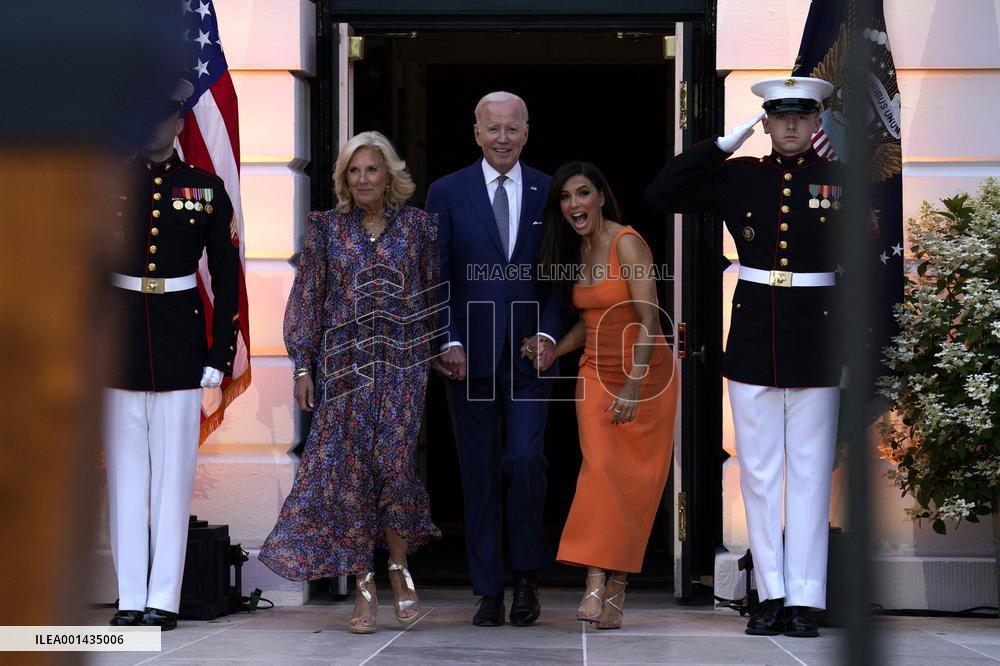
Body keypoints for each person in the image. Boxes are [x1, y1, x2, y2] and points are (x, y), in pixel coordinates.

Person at [644, 76, 844, 638]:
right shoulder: (739, 176)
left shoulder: (841, 183)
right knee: (758, 474)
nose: (789, 126)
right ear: (765, 121)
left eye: (800, 117)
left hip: (818, 337)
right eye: (778, 117)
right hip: (755, 333)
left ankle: (807, 599)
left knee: (809, 475)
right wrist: (723, 144)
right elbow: (662, 192)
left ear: (816, 123)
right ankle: (772, 594)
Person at [259, 131, 440, 634]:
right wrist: (302, 365)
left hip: (403, 368)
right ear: (344, 179)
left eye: (371, 169)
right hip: (344, 370)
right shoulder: (326, 230)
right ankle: (364, 586)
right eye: (353, 171)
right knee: (350, 476)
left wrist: (441, 347)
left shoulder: (419, 228)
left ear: (389, 177)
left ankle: (399, 568)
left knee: (394, 466)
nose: (362, 179)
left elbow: (430, 295)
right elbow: (308, 300)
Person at [104, 79, 241, 631]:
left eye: (165, 118)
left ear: (179, 124)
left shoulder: (205, 188)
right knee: (125, 480)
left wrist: (220, 353)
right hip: (119, 343)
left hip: (182, 344)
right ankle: (129, 595)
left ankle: (163, 598)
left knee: (173, 477)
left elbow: (227, 279)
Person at [424, 91, 566, 627]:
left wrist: (551, 334)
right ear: (476, 132)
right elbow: (432, 275)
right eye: (493, 128)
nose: (503, 138)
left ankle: (527, 579)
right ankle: (487, 589)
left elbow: (559, 275)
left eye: (513, 128)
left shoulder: (549, 190)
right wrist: (446, 339)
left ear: (526, 132)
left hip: (531, 359)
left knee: (525, 462)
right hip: (468, 359)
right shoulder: (445, 192)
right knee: (478, 472)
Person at [528, 162, 678, 630]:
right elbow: (588, 323)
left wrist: (634, 384)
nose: (575, 204)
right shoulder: (575, 248)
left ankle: (618, 586)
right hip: (594, 372)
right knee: (599, 472)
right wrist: (552, 349)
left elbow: (650, 321)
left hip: (646, 378)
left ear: (600, 197)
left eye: (583, 194)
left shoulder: (626, 242)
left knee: (634, 488)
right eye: (566, 198)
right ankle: (595, 580)